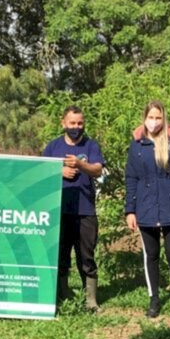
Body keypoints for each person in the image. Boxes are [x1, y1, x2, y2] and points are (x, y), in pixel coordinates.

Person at [124, 101, 170, 320]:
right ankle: (154, 299)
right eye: (150, 117)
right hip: (145, 209)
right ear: (144, 118)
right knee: (150, 255)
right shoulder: (137, 145)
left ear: (164, 119)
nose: (154, 122)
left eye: (158, 118)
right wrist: (130, 210)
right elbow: (131, 178)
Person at [42, 105, 105, 310]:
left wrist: (80, 165)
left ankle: (90, 300)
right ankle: (62, 294)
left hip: (85, 210)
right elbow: (40, 172)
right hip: (59, 209)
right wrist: (59, 171)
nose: (76, 127)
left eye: (80, 123)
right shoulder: (53, 147)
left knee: (86, 255)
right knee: (60, 254)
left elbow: (97, 169)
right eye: (72, 123)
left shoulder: (90, 146)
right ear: (63, 123)